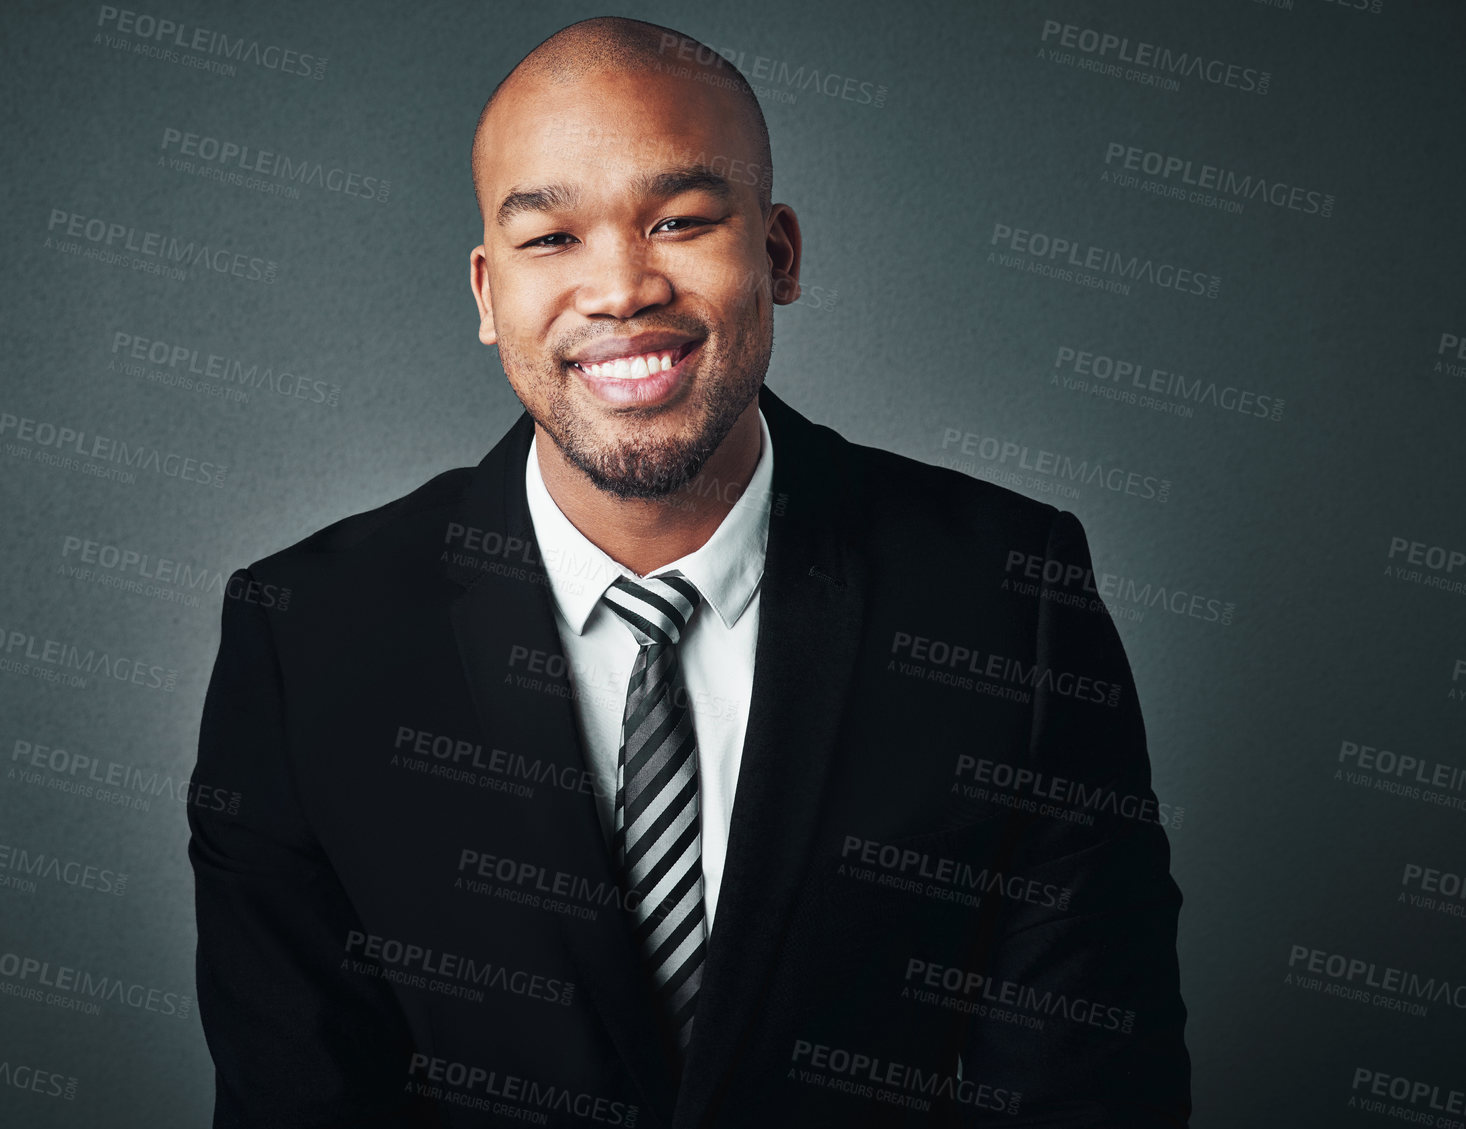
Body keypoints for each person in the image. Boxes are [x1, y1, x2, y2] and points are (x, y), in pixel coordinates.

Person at [188, 16, 1190, 1128]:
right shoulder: (309, 636)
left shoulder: (1009, 603)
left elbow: (1089, 1090)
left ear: (779, 254)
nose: (620, 288)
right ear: (486, 292)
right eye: (550, 238)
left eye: (678, 220)